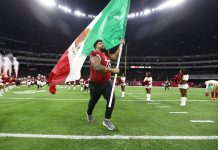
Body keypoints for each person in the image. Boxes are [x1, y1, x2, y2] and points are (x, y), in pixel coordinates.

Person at [86, 39, 125, 131]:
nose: (102, 44)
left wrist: (120, 45)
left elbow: (115, 56)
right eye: (100, 43)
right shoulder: (94, 54)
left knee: (111, 99)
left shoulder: (106, 54)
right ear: (95, 46)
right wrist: (112, 70)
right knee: (93, 101)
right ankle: (89, 113)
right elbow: (97, 67)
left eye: (102, 43)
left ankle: (107, 120)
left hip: (106, 82)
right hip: (95, 83)